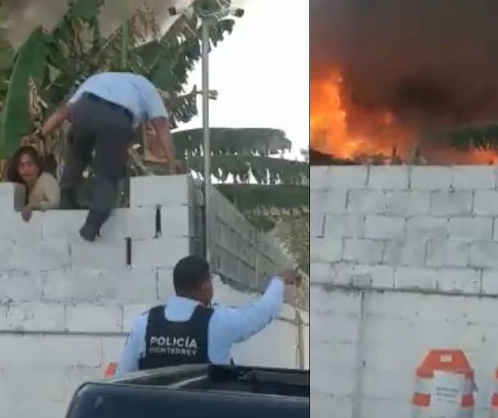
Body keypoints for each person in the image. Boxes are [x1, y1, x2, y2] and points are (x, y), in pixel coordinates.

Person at [36, 71, 179, 241]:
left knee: (78, 153)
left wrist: (41, 134)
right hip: (115, 119)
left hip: (84, 109)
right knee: (109, 172)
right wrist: (172, 161)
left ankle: (67, 198)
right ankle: (93, 223)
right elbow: (160, 125)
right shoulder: (147, 87)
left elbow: (64, 111)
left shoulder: (97, 79)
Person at [114, 255, 300, 375]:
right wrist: (279, 281)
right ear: (204, 287)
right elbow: (261, 313)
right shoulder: (217, 321)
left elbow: (122, 376)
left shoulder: (144, 322)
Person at [6, 146, 60, 221]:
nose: (26, 169)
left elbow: (55, 202)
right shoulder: (21, 186)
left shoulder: (46, 179)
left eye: (29, 164)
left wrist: (34, 206)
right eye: (21, 166)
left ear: (37, 167)